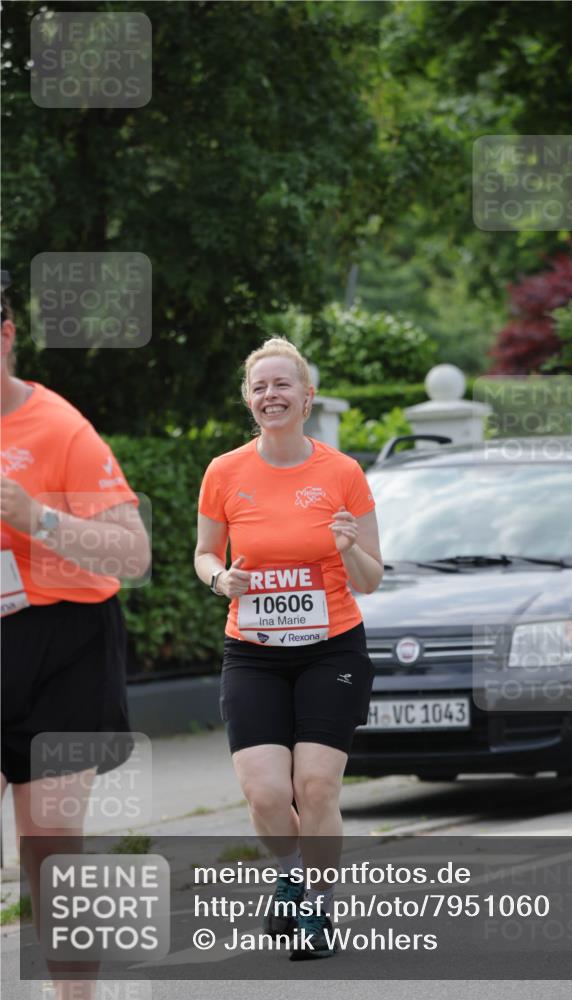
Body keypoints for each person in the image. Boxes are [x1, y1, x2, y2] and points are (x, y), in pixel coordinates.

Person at [194, 337, 383, 960]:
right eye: (259, 387)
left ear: (307, 396)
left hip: (332, 648)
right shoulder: (224, 472)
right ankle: (290, 875)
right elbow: (204, 554)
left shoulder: (342, 473)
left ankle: (317, 910)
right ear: (248, 400)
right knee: (267, 793)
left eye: (282, 385)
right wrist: (220, 579)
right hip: (253, 652)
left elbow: (371, 578)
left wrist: (347, 549)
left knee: (317, 785)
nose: (270, 395)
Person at [0, 278, 150, 999]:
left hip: (66, 646)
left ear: (5, 337)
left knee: (52, 850)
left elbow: (134, 555)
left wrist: (39, 519)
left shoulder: (59, 430)